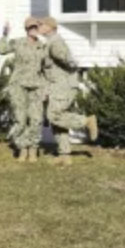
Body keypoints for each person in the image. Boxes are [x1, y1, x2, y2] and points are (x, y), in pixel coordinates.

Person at [39, 16, 98, 166]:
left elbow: (68, 60)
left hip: (63, 85)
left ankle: (86, 121)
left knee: (53, 115)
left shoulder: (55, 43)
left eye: (42, 24)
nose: (39, 26)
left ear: (50, 27)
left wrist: (73, 68)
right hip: (56, 85)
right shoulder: (50, 43)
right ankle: (64, 155)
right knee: (57, 123)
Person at [0, 17, 47, 162]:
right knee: (21, 119)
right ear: (26, 29)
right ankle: (23, 149)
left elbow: (47, 69)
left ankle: (33, 149)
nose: (34, 30)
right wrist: (4, 34)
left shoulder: (43, 46)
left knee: (36, 119)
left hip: (37, 86)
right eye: (31, 28)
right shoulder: (18, 43)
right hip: (18, 85)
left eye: (36, 27)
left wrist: (46, 89)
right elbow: (1, 50)